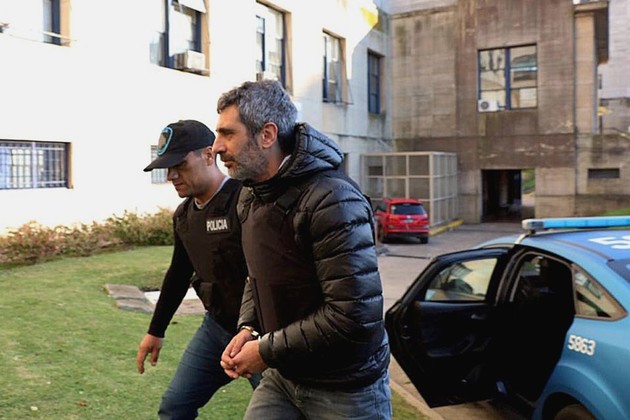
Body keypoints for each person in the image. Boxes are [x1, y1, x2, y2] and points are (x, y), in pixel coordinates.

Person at [213, 80, 392, 419]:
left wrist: (264, 351)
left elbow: (352, 315)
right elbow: (257, 275)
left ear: (267, 135)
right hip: (284, 375)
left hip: (345, 387)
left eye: (228, 134)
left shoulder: (333, 200)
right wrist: (249, 328)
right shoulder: (250, 195)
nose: (216, 147)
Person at [136, 119, 259, 419]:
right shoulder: (184, 217)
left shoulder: (247, 200)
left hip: (260, 334)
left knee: (280, 412)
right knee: (174, 407)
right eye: (167, 168)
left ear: (208, 155)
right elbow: (178, 274)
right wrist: (155, 331)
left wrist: (258, 335)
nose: (171, 175)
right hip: (216, 329)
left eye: (180, 164)